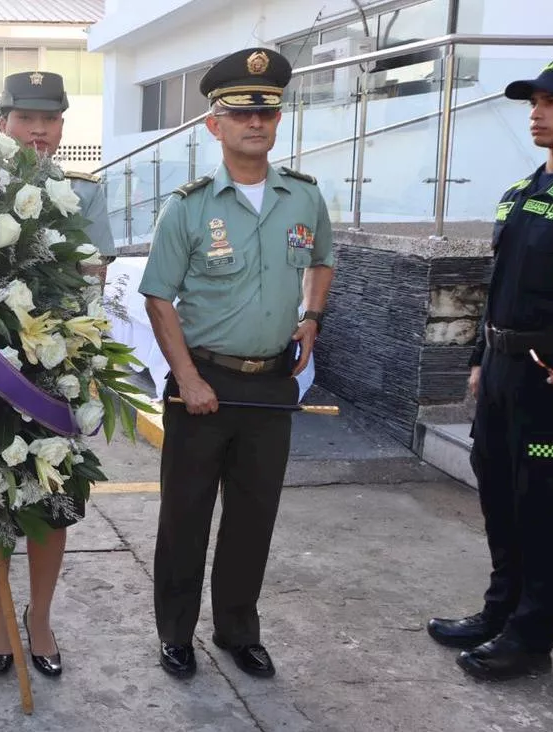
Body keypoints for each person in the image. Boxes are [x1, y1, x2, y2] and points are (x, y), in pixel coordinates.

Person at [138, 48, 334, 680]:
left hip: (272, 385)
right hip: (203, 383)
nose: (257, 122)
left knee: (254, 518)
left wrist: (312, 317)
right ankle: (175, 634)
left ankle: (237, 631)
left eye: (268, 111)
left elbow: (323, 259)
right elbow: (158, 296)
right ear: (213, 125)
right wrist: (189, 378)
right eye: (242, 112)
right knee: (185, 517)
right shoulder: (188, 207)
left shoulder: (304, 198)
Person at [427, 54, 553, 682]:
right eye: (533, 102)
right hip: (504, 371)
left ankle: (532, 635)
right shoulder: (524, 190)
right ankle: (500, 612)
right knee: (500, 498)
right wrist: (480, 360)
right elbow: (497, 285)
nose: (536, 113)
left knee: (547, 508)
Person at [0, 70, 113, 679]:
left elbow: (94, 281)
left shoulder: (86, 193)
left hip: (57, 374)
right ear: (3, 123)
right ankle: (0, 617)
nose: (38, 131)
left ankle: (41, 616)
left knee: (55, 502)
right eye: (26, 118)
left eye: (49, 120)